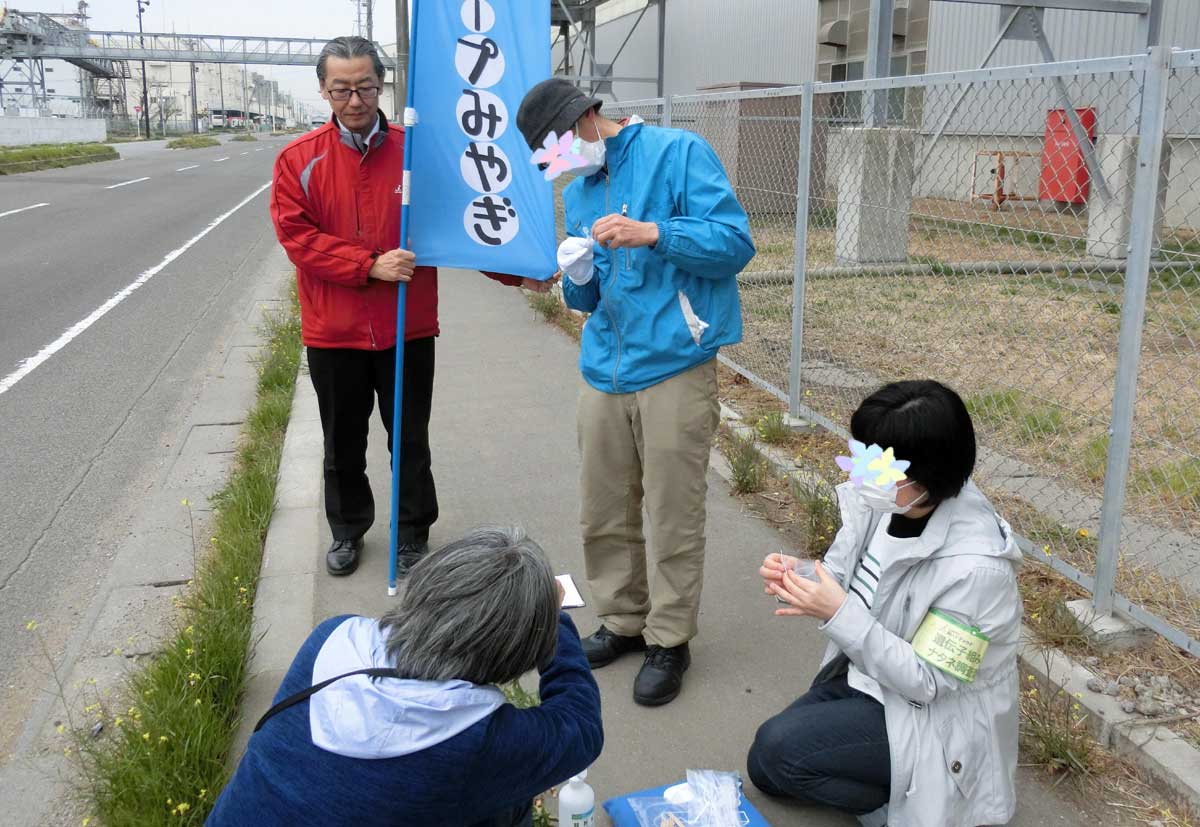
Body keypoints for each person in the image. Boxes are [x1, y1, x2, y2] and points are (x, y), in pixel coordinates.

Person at [516, 79, 756, 707]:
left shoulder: (678, 152)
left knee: (673, 510)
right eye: (550, 160)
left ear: (589, 118)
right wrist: (578, 275)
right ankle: (622, 620)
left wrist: (657, 233)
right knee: (603, 508)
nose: (560, 166)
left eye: (560, 150)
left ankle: (670, 638)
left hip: (675, 362)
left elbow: (734, 244)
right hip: (604, 368)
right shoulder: (582, 191)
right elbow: (587, 302)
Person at [271, 36, 547, 577]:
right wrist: (366, 264)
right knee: (342, 442)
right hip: (335, 331)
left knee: (410, 439)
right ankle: (348, 530)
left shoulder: (418, 152)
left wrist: (522, 272)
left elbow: (458, 227)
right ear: (324, 91)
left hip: (407, 327)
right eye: (342, 89)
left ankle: (412, 534)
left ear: (382, 85)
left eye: (366, 87)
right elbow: (296, 238)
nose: (355, 100)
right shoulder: (299, 160)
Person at [746, 380, 1022, 827]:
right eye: (861, 457)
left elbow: (927, 682)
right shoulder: (882, 502)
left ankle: (921, 806)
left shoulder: (978, 570)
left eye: (875, 464)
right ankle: (905, 789)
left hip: (933, 715)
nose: (859, 475)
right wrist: (797, 577)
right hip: (871, 677)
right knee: (768, 765)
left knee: (779, 751)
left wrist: (837, 613)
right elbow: (840, 573)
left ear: (924, 474)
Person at [207, 527, 603, 827]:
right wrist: (555, 617)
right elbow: (581, 725)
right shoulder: (478, 743)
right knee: (507, 800)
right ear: (516, 652)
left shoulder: (329, 640)